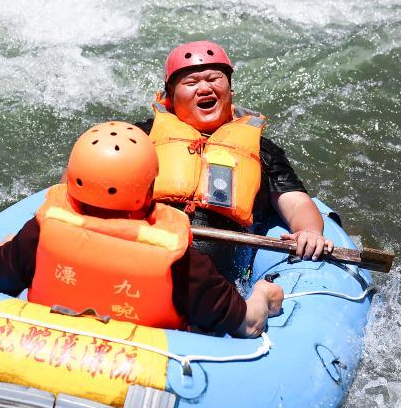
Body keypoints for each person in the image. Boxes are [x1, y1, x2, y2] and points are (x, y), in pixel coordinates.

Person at [0, 122, 284, 338]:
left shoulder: (42, 231)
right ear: (151, 186)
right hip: (145, 370)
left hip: (41, 352)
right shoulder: (178, 260)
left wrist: (10, 245)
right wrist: (261, 294)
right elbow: (249, 325)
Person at [134, 41, 333, 278]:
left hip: (217, 280)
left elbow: (296, 201)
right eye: (191, 82)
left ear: (230, 89)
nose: (204, 88)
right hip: (148, 257)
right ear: (171, 95)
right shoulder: (141, 137)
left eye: (214, 78)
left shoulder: (261, 150)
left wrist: (309, 231)